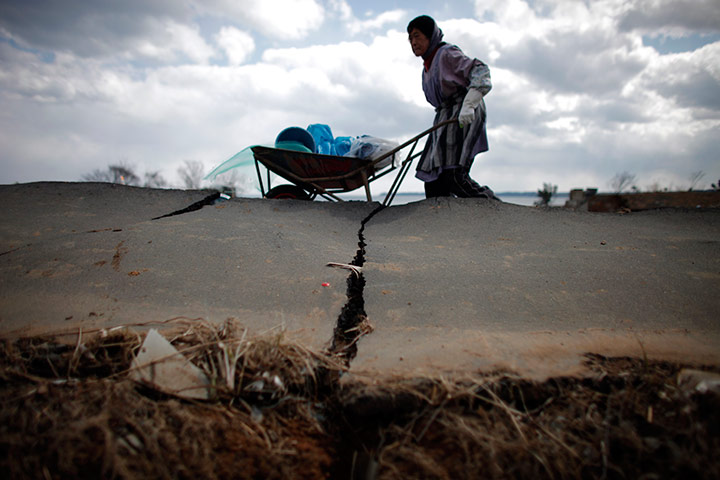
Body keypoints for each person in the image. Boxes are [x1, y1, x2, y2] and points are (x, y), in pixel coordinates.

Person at [407, 15, 499, 200]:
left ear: (429, 35)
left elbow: (480, 70)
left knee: (453, 176)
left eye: (417, 36)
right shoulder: (427, 67)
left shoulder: (446, 54)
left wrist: (469, 104)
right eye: (410, 38)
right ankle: (444, 224)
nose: (413, 42)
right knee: (433, 180)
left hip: (463, 111)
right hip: (445, 116)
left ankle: (493, 207)